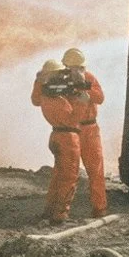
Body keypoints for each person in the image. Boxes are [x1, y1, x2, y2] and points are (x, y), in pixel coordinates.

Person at [31, 59, 87, 223]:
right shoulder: (57, 101)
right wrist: (82, 102)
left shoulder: (46, 95)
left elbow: (35, 99)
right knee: (69, 177)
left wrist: (39, 81)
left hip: (57, 136)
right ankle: (60, 214)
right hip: (68, 138)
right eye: (59, 73)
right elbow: (73, 119)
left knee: (58, 176)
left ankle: (50, 210)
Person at [62, 48, 108, 218]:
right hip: (72, 130)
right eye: (73, 68)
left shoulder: (89, 78)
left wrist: (87, 93)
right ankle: (61, 211)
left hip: (90, 129)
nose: (77, 71)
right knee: (69, 172)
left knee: (96, 170)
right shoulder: (61, 81)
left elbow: (100, 97)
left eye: (80, 68)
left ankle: (99, 208)